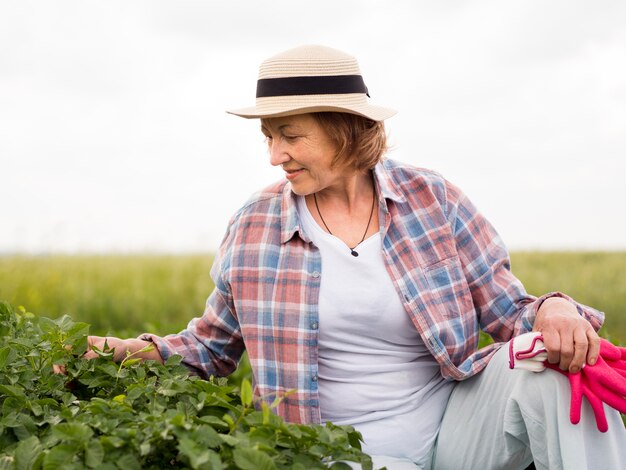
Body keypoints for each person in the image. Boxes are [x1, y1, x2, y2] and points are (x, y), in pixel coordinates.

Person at [87, 45, 626, 469]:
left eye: (290, 135)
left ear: (344, 130)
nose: (276, 155)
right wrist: (123, 352)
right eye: (269, 138)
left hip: (459, 424)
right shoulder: (255, 225)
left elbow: (510, 311)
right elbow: (211, 350)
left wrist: (554, 311)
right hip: (342, 450)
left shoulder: (431, 198)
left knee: (557, 369)